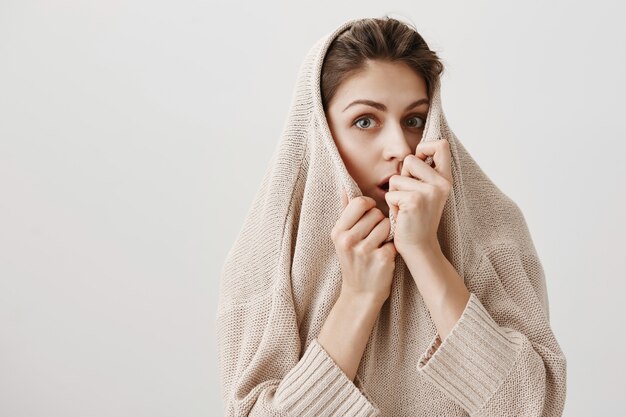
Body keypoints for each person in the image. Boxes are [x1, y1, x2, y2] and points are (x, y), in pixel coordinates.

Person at [216, 16, 567, 416]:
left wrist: (425, 252)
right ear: (322, 133)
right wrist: (358, 297)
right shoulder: (266, 259)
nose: (399, 147)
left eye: (414, 121)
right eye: (365, 121)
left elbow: (532, 407)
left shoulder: (495, 232)